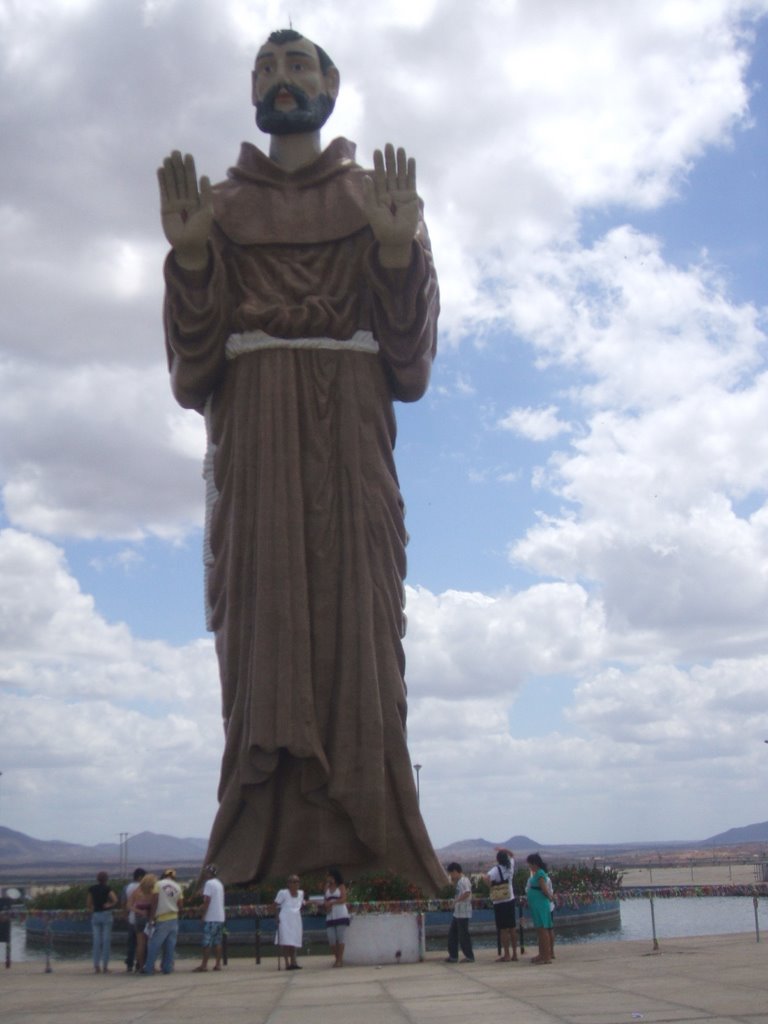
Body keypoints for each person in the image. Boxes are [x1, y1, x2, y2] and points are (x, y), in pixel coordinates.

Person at [156, 27, 444, 893]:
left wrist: (395, 253)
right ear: (253, 89)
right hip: (256, 441)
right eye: (268, 69)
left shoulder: (374, 200)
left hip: (352, 436)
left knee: (362, 628)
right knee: (261, 628)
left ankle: (376, 835)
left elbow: (411, 365)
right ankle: (260, 841)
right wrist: (196, 256)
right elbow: (193, 368)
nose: (284, 82)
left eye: (299, 66)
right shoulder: (217, 208)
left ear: (331, 83)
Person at [143, 868, 184, 975]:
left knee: (154, 944)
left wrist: (152, 917)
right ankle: (167, 968)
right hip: (174, 918)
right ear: (174, 877)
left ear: (163, 875)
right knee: (170, 946)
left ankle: (149, 968)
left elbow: (154, 901)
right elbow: (180, 905)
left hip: (162, 918)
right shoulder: (178, 887)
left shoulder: (158, 884)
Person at [484, 849, 518, 962]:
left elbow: (486, 878)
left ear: (498, 859)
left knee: (503, 929)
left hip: (499, 902)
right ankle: (515, 954)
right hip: (510, 899)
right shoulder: (510, 867)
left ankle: (506, 954)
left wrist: (491, 886)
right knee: (512, 928)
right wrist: (503, 849)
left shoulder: (495, 870)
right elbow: (512, 854)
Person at [193, 863, 226, 972]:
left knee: (207, 942)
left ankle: (204, 965)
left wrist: (203, 915)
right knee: (217, 941)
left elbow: (207, 900)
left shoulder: (209, 884)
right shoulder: (219, 884)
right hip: (220, 917)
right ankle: (218, 964)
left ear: (209, 873)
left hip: (211, 917)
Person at [86, 871, 118, 973]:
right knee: (106, 941)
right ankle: (105, 966)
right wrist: (108, 905)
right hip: (106, 914)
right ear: (106, 879)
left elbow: (88, 903)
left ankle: (96, 966)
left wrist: (92, 910)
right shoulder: (107, 888)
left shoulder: (92, 889)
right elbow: (115, 899)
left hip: (96, 915)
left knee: (96, 941)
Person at [525, 853, 554, 965]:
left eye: (530, 864)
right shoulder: (536, 874)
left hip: (541, 904)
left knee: (543, 930)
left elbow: (544, 889)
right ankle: (541, 954)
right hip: (536, 904)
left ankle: (546, 956)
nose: (529, 866)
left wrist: (550, 897)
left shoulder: (540, 874)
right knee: (539, 930)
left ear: (535, 864)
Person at [273, 873, 305, 970]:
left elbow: (301, 904)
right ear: (288, 884)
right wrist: (277, 917)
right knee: (286, 941)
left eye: (297, 882)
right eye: (293, 882)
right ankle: (287, 963)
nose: (295, 884)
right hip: (285, 920)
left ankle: (293, 962)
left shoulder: (301, 893)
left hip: (295, 920)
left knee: (294, 941)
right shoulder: (283, 893)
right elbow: (275, 905)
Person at [445, 862, 473, 963]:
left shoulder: (464, 881)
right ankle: (453, 955)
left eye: (451, 873)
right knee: (453, 934)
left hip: (463, 912)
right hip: (458, 913)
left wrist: (457, 901)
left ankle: (469, 956)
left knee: (463, 935)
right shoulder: (459, 882)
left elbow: (467, 892)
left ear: (455, 871)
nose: (451, 876)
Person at [129, 872, 157, 973]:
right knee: (151, 943)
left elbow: (129, 905)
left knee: (140, 944)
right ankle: (151, 965)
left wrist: (139, 911)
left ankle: (141, 966)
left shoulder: (137, 891)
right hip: (150, 919)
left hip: (139, 918)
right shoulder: (153, 892)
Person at [323, 867, 350, 968]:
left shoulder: (340, 886)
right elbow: (325, 899)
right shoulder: (326, 887)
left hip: (340, 913)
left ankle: (339, 960)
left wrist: (333, 902)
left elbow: (343, 899)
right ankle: (338, 958)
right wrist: (326, 905)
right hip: (330, 914)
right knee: (331, 939)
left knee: (340, 937)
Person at [122, 867, 146, 973]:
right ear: (140, 877)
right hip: (142, 918)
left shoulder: (127, 887)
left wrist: (125, 915)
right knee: (142, 943)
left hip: (131, 918)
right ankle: (140, 964)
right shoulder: (145, 888)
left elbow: (123, 902)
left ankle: (129, 964)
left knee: (131, 943)